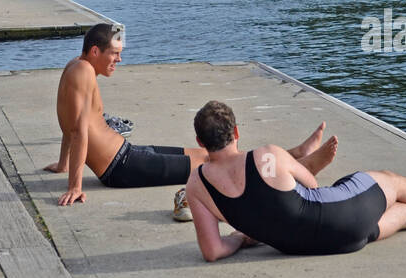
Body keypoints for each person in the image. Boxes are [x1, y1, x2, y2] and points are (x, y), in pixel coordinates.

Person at [44, 25, 339, 212]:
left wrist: (63, 164)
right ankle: (301, 166)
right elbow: (80, 130)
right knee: (219, 163)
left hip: (128, 155)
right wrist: (75, 185)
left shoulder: (77, 67)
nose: (119, 60)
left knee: (211, 154)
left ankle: (293, 155)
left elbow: (69, 126)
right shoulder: (83, 72)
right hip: (121, 168)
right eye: (114, 54)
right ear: (95, 51)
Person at [185, 100, 406, 262]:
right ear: (237, 133)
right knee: (390, 182)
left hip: (307, 245)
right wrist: (298, 169)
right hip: (340, 219)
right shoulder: (266, 156)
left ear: (200, 141)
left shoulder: (197, 186)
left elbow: (212, 252)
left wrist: (239, 237)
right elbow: (311, 187)